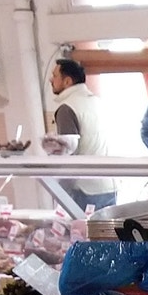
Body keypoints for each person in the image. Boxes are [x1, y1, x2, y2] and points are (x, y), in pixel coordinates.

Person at [48, 58, 116, 210]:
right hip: (109, 185)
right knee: (106, 233)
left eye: (55, 76)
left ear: (67, 82)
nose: (50, 80)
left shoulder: (67, 108)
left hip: (86, 189)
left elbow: (68, 151)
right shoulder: (96, 101)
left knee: (82, 233)